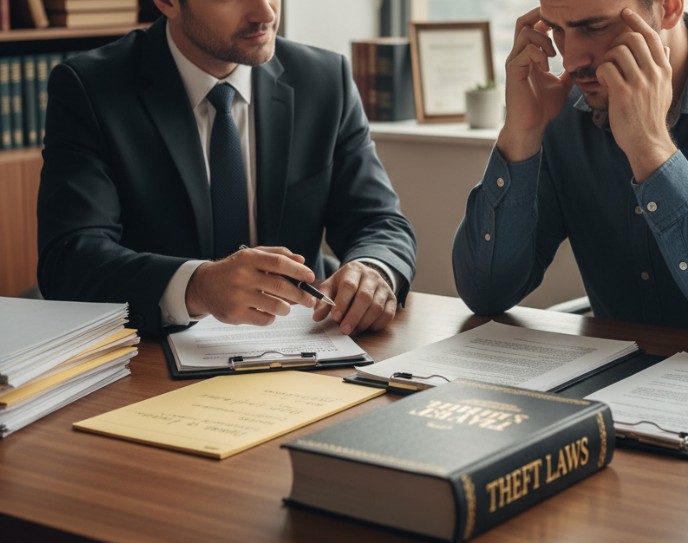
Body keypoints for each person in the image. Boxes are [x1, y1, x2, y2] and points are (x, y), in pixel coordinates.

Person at [452, 0, 688, 358]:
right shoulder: (565, 108)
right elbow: (486, 293)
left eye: (594, 27)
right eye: (556, 29)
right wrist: (520, 134)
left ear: (669, 8)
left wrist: (650, 148)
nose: (570, 60)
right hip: (629, 391)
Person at [38, 0, 417, 337]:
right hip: (150, 360)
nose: (265, 13)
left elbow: (378, 221)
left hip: (305, 348)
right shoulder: (90, 88)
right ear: (168, 3)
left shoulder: (323, 79)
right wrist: (197, 287)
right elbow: (70, 260)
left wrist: (374, 269)